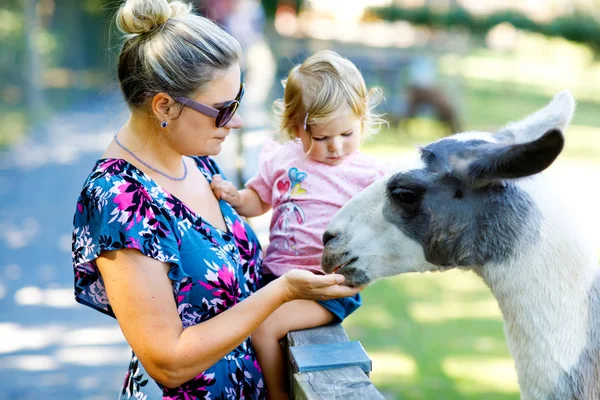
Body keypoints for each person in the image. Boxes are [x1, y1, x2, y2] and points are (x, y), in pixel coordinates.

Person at [70, 1, 361, 399]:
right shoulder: (119, 199)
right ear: (164, 106)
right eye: (224, 110)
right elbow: (168, 363)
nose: (236, 121)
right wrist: (282, 293)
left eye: (238, 102)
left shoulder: (197, 163)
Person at [210, 50, 388, 399]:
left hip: (325, 288)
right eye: (321, 138)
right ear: (296, 127)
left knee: (262, 329)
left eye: (347, 134)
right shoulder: (284, 159)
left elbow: (384, 233)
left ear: (362, 121)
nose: (336, 147)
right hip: (275, 279)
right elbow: (258, 200)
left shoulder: (369, 176)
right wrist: (234, 197)